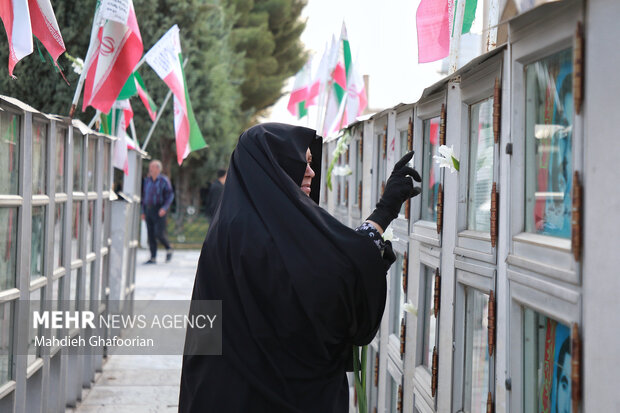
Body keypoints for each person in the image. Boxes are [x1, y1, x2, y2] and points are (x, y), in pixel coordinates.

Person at [178, 123, 421, 412]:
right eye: (301, 162)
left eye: (310, 162)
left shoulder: (233, 225)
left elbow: (324, 268)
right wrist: (384, 211)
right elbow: (330, 286)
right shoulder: (259, 233)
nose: (311, 172)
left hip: (228, 391)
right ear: (273, 166)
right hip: (283, 394)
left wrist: (382, 214)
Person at [141, 160, 174, 264]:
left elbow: (170, 195)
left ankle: (169, 248)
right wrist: (143, 211)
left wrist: (164, 208)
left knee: (159, 233)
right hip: (148, 209)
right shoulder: (147, 181)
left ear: (158, 169)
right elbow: (144, 196)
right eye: (150, 167)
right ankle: (153, 257)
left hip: (159, 210)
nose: (150, 169)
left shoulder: (164, 180)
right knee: (150, 234)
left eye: (153, 167)